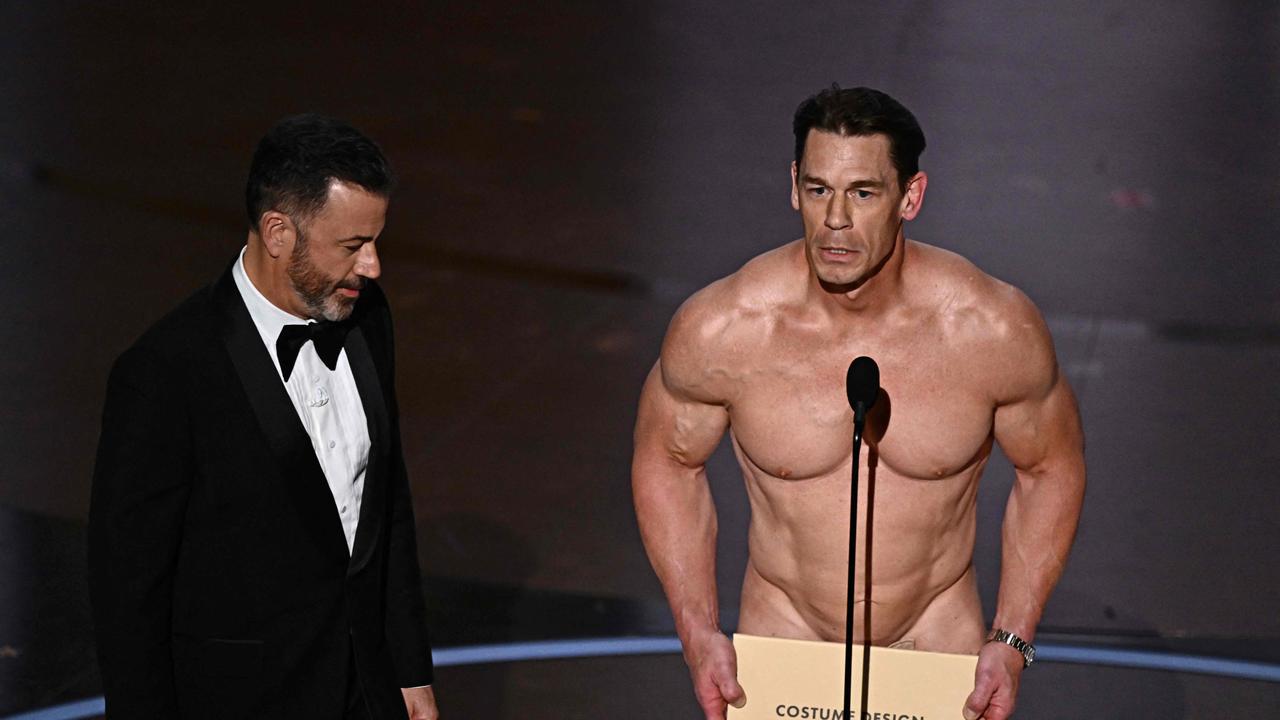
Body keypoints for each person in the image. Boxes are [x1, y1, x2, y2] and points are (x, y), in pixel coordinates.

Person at [632, 86, 1085, 720]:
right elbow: (667, 460)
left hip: (934, 644)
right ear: (794, 186)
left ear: (911, 197)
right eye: (818, 189)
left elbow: (1049, 469)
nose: (836, 220)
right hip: (783, 643)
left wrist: (1012, 641)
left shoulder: (989, 331)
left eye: (863, 193)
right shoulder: (727, 328)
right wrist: (696, 630)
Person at [89, 115, 440, 720]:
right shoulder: (166, 372)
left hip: (367, 693)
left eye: (376, 241)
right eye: (353, 246)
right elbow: (129, 593)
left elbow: (389, 504)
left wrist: (409, 670)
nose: (375, 266)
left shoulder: (368, 316)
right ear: (279, 231)